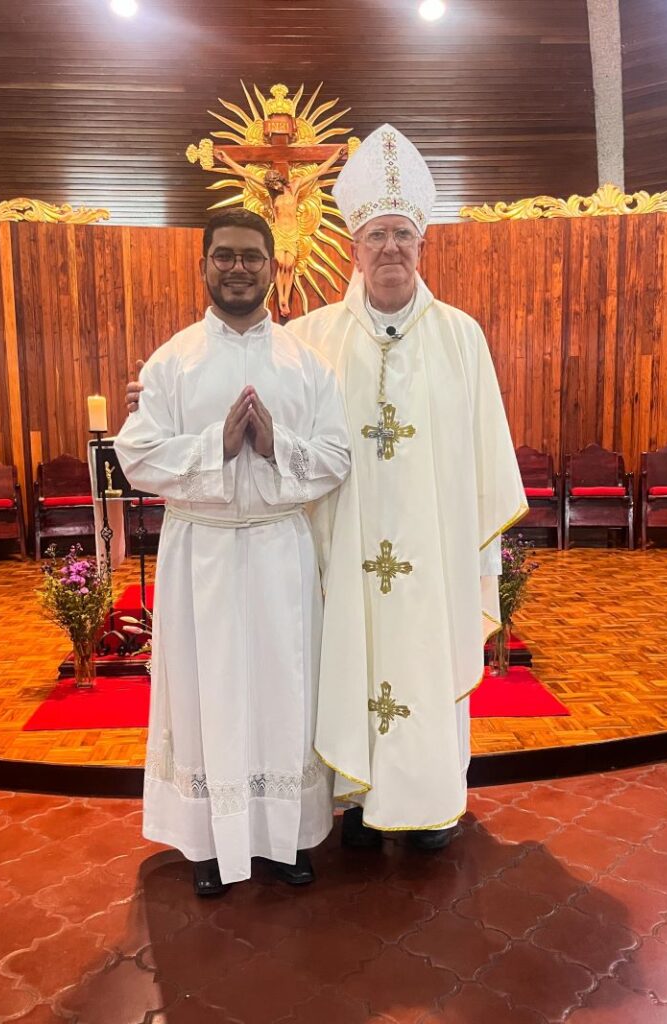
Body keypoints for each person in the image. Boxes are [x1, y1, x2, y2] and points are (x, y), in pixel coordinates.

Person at [126, 126, 526, 853]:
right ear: (353, 245)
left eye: (402, 234)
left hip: (429, 557)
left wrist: (475, 554)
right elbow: (248, 378)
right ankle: (354, 801)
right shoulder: (309, 337)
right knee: (340, 667)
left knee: (424, 660)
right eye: (376, 235)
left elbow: (486, 454)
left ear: (422, 241)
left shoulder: (463, 338)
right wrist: (159, 398)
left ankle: (430, 798)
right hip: (339, 557)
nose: (390, 249)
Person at [114, 208, 350, 897]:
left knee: (284, 691)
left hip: (280, 549)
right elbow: (137, 455)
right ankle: (211, 844)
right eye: (225, 256)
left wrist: (279, 446)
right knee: (204, 693)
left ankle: (286, 839)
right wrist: (212, 447)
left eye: (252, 256)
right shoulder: (173, 359)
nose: (239, 267)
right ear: (205, 266)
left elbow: (336, 455)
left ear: (273, 267)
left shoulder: (307, 365)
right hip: (203, 553)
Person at [213, 146, 347, 318]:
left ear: (280, 179)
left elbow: (319, 171)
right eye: (271, 185)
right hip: (278, 232)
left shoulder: (294, 187)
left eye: (275, 183)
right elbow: (247, 175)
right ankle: (282, 299)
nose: (274, 187)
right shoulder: (272, 195)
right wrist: (227, 160)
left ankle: (285, 296)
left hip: (292, 232)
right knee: (280, 264)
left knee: (289, 265)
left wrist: (336, 155)